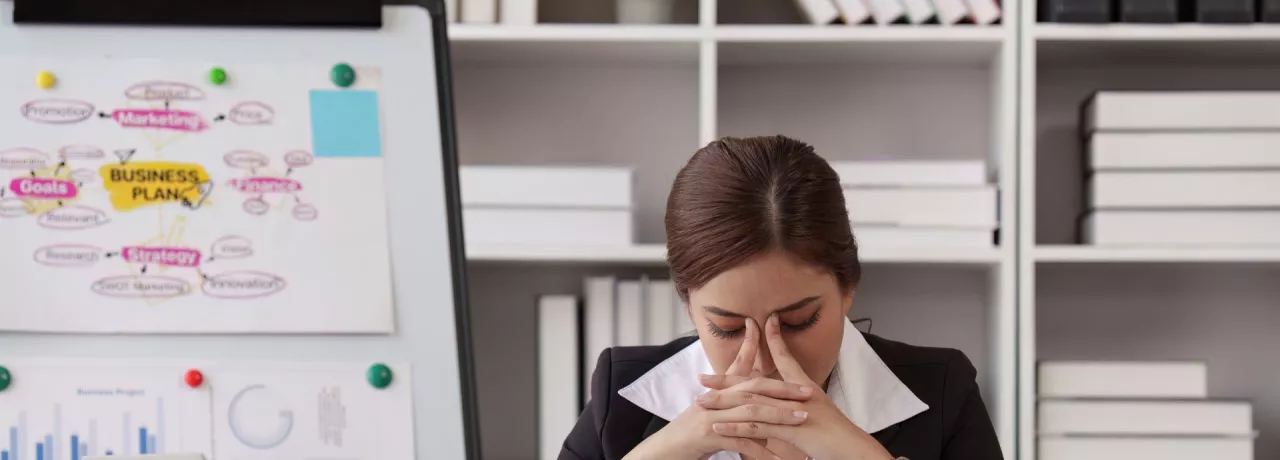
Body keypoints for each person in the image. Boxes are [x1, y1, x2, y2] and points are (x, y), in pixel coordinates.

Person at [558, 136, 1003, 460]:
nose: (766, 360)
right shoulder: (621, 397)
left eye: (798, 322)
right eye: (727, 328)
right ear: (688, 304)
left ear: (848, 287)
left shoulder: (943, 391)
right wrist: (667, 449)